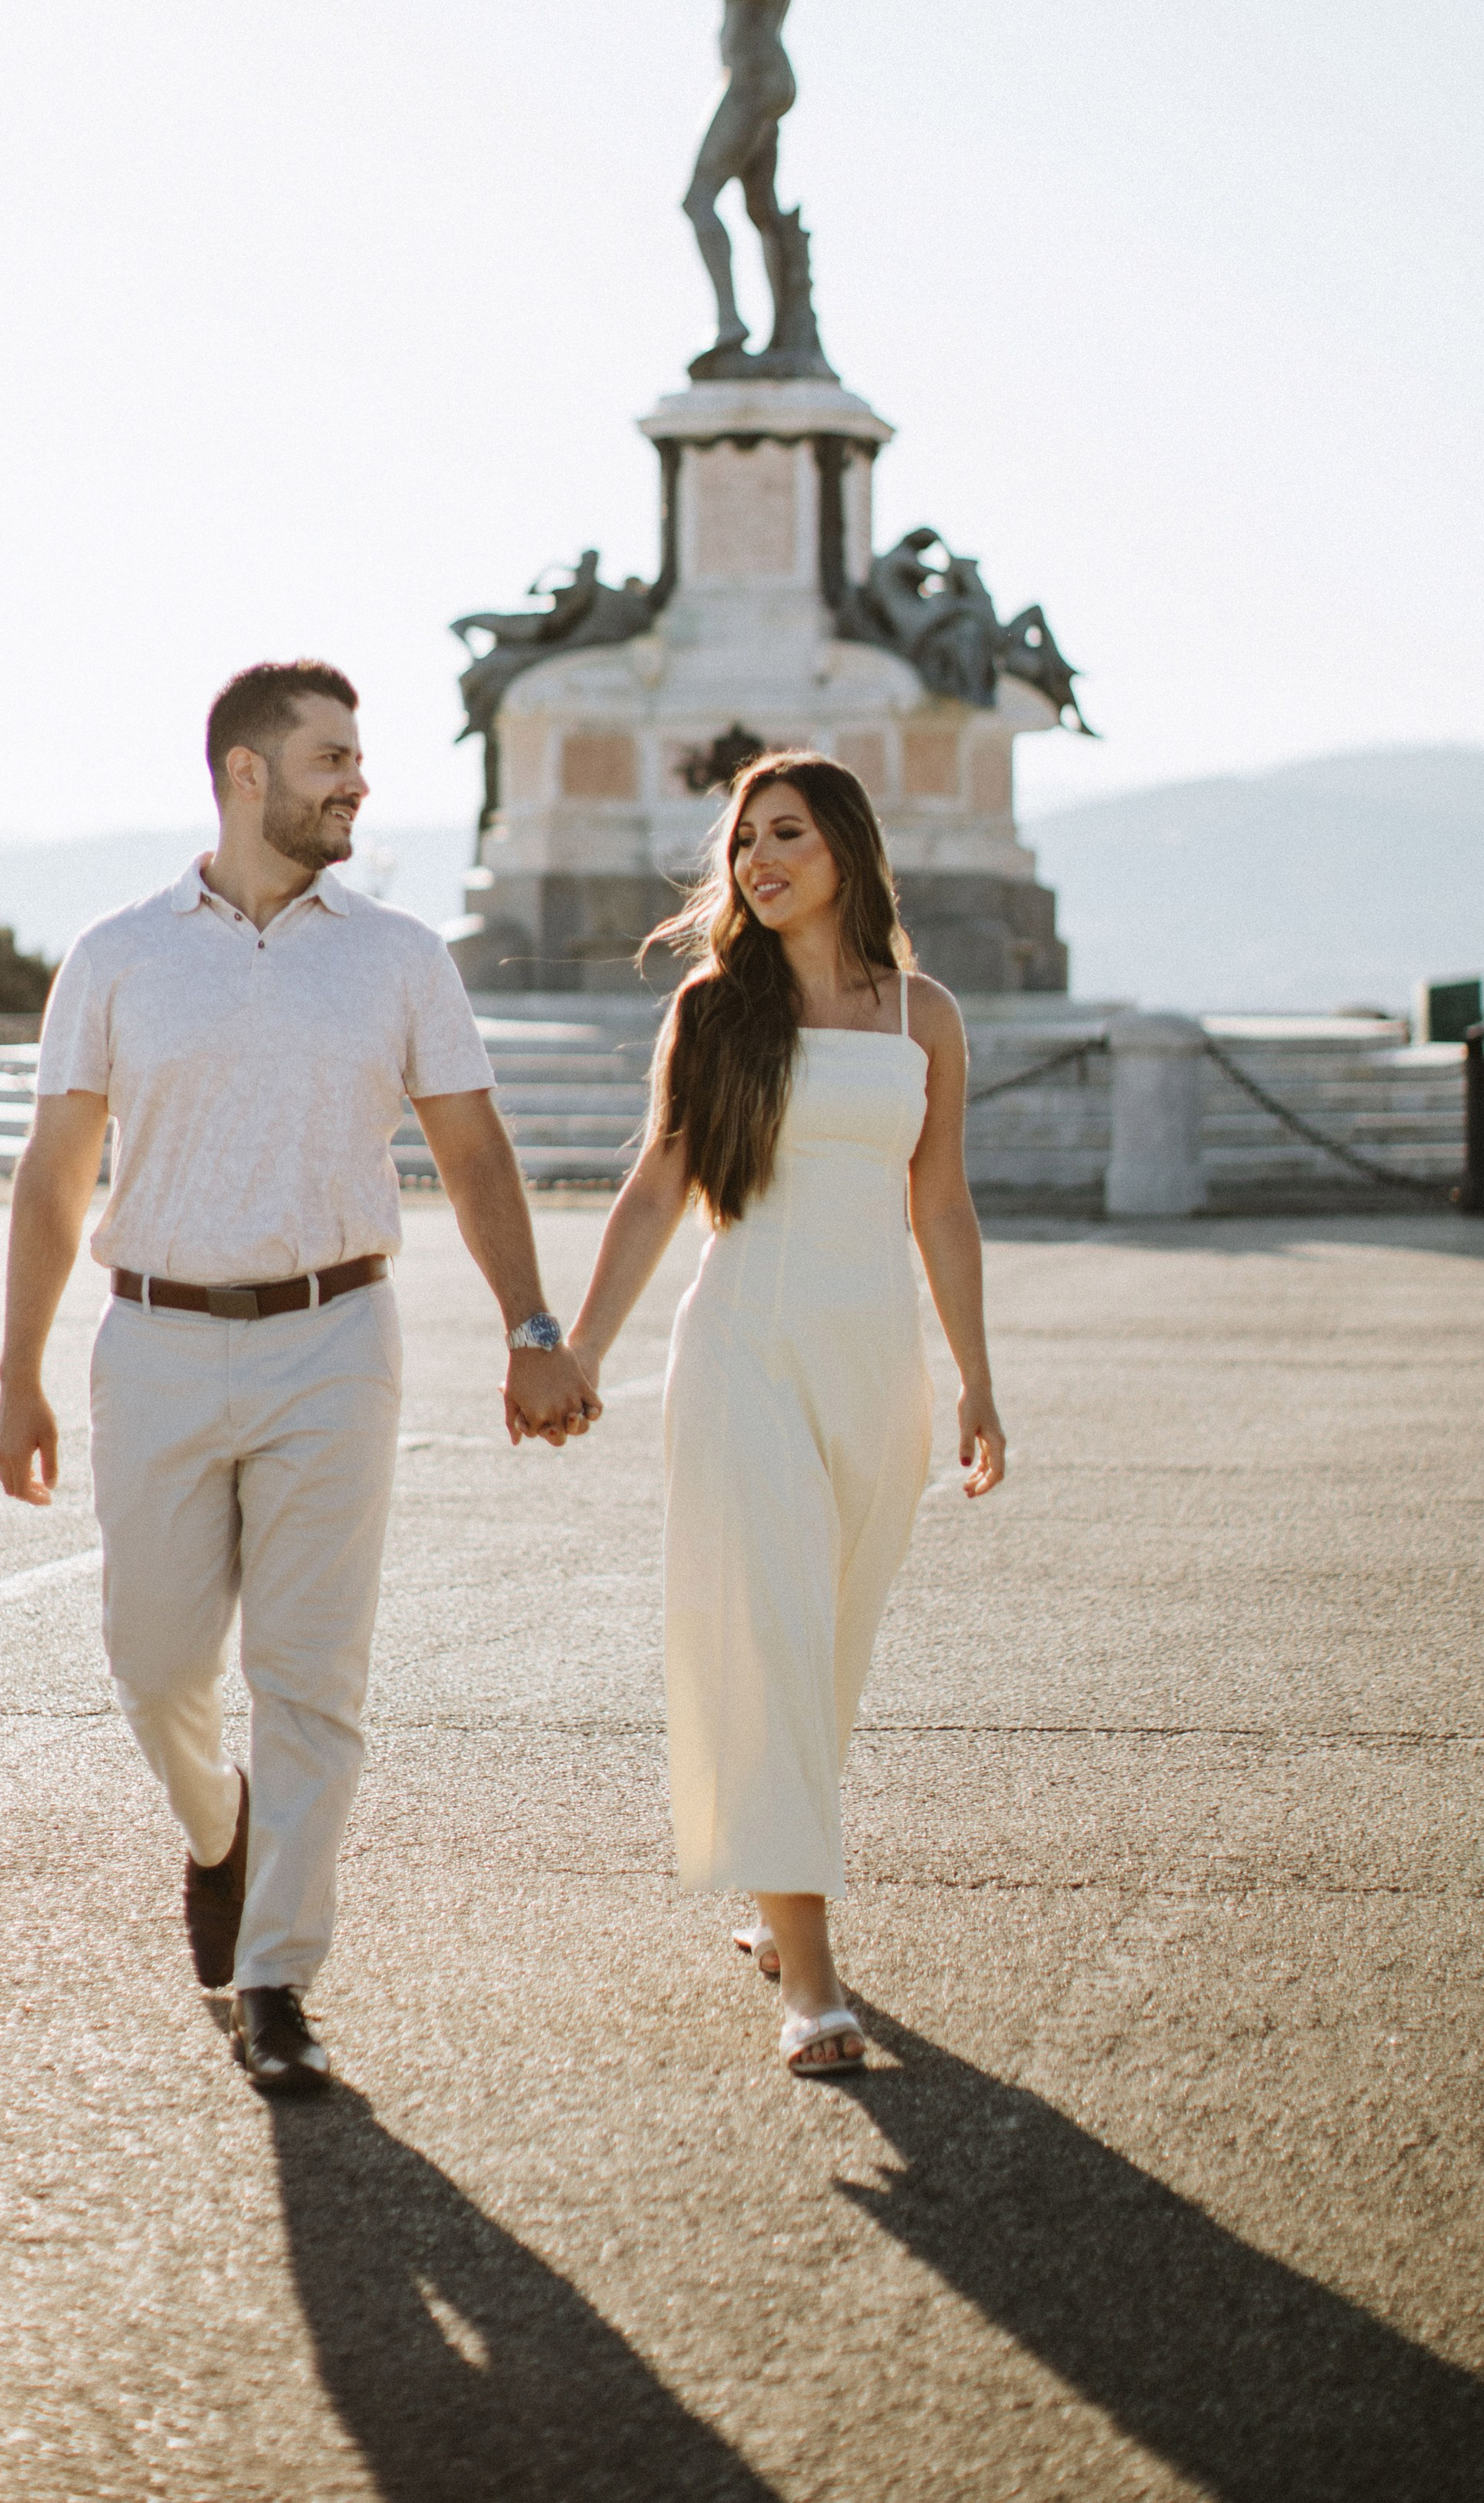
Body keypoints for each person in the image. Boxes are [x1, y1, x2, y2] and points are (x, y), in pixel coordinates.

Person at [0, 660, 598, 2097]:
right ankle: (220, 1831)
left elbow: (472, 1148)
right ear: (246, 773)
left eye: (358, 756)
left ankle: (277, 1979)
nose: (359, 780)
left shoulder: (396, 955)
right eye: (332, 756)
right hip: (157, 1340)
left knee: (311, 1681)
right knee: (153, 1667)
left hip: (337, 1339)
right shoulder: (121, 951)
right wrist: (18, 1370)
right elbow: (55, 1171)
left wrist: (530, 1330)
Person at [559, 750, 1007, 2074]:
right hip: (743, 1350)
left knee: (825, 1658)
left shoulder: (924, 1015)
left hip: (877, 1367)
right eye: (744, 840)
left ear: (847, 852)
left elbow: (944, 1203)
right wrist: (577, 1351)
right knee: (767, 1636)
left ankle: (773, 1881)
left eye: (787, 834)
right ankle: (811, 1982)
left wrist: (977, 1377)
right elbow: (656, 1189)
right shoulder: (713, 1011)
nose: (756, 860)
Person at [677, 0, 803, 369]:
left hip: (753, 73)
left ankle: (729, 325)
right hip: (761, 71)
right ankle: (790, 337)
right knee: (762, 212)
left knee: (699, 197)